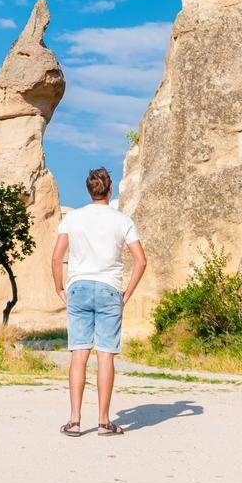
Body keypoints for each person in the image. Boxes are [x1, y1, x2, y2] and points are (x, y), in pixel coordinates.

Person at [50, 166, 146, 437]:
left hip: (78, 288)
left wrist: (59, 288)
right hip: (109, 290)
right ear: (109, 189)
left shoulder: (74, 219)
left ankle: (75, 420)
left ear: (89, 190)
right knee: (105, 355)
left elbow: (57, 257)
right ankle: (104, 422)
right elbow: (141, 260)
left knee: (79, 354)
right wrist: (126, 293)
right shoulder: (122, 221)